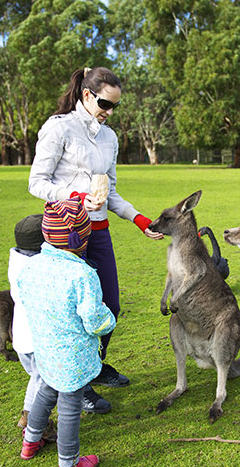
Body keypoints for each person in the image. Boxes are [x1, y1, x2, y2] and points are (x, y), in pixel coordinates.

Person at [28, 66, 163, 413]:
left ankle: (94, 366)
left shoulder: (109, 137)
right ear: (87, 95)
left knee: (110, 308)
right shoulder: (59, 128)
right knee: (77, 315)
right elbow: (37, 182)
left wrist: (139, 219)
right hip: (67, 233)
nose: (109, 111)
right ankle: (80, 385)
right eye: (105, 103)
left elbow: (111, 191)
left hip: (98, 231)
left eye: (115, 106)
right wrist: (75, 195)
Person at [17, 197, 116, 467]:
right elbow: (93, 319)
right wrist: (109, 320)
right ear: (83, 238)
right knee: (70, 407)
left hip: (45, 350)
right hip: (72, 358)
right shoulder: (82, 274)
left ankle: (30, 442)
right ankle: (69, 464)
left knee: (46, 393)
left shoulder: (32, 265)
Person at [8, 214, 56, 441]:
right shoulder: (37, 269)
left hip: (21, 337)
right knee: (43, 383)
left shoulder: (16, 260)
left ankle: (27, 417)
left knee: (36, 378)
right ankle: (36, 424)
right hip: (37, 338)